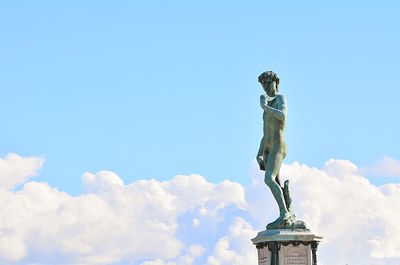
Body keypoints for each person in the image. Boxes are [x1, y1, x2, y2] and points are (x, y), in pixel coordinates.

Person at [256, 71, 292, 229]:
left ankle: (285, 214)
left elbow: (283, 116)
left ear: (275, 83)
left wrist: (265, 106)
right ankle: (287, 211)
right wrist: (259, 153)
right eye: (263, 84)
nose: (266, 87)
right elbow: (266, 133)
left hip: (278, 145)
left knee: (269, 179)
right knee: (275, 182)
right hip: (268, 147)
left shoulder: (279, 99)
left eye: (268, 83)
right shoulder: (268, 104)